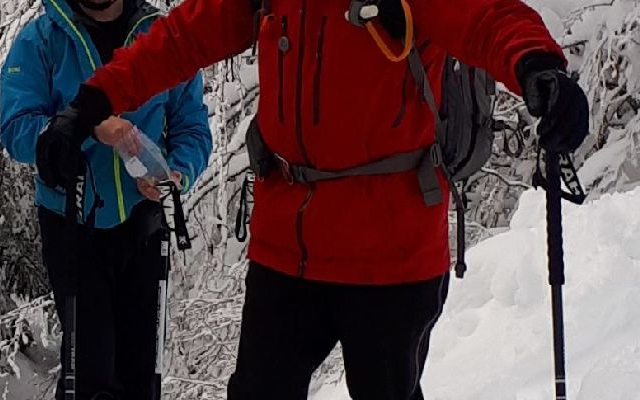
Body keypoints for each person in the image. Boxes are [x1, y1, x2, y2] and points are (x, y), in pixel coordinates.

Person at [39, 0, 593, 398]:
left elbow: (487, 16)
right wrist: (92, 102)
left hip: (390, 255)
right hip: (287, 250)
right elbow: (182, 38)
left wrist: (537, 65)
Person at [0, 0, 213, 398]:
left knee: (140, 377)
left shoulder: (161, 36)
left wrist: (177, 174)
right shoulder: (41, 39)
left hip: (145, 223)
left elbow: (193, 128)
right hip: (72, 222)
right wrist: (86, 128)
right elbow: (16, 129)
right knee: (89, 374)